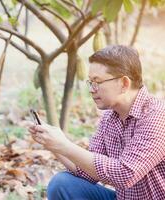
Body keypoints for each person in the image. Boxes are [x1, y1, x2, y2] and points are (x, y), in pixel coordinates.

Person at [28, 45, 165, 200]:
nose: (92, 89)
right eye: (90, 82)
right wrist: (54, 145)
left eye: (97, 82)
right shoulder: (109, 117)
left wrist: (66, 145)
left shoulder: (156, 116)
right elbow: (85, 171)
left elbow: (125, 174)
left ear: (124, 84)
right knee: (62, 184)